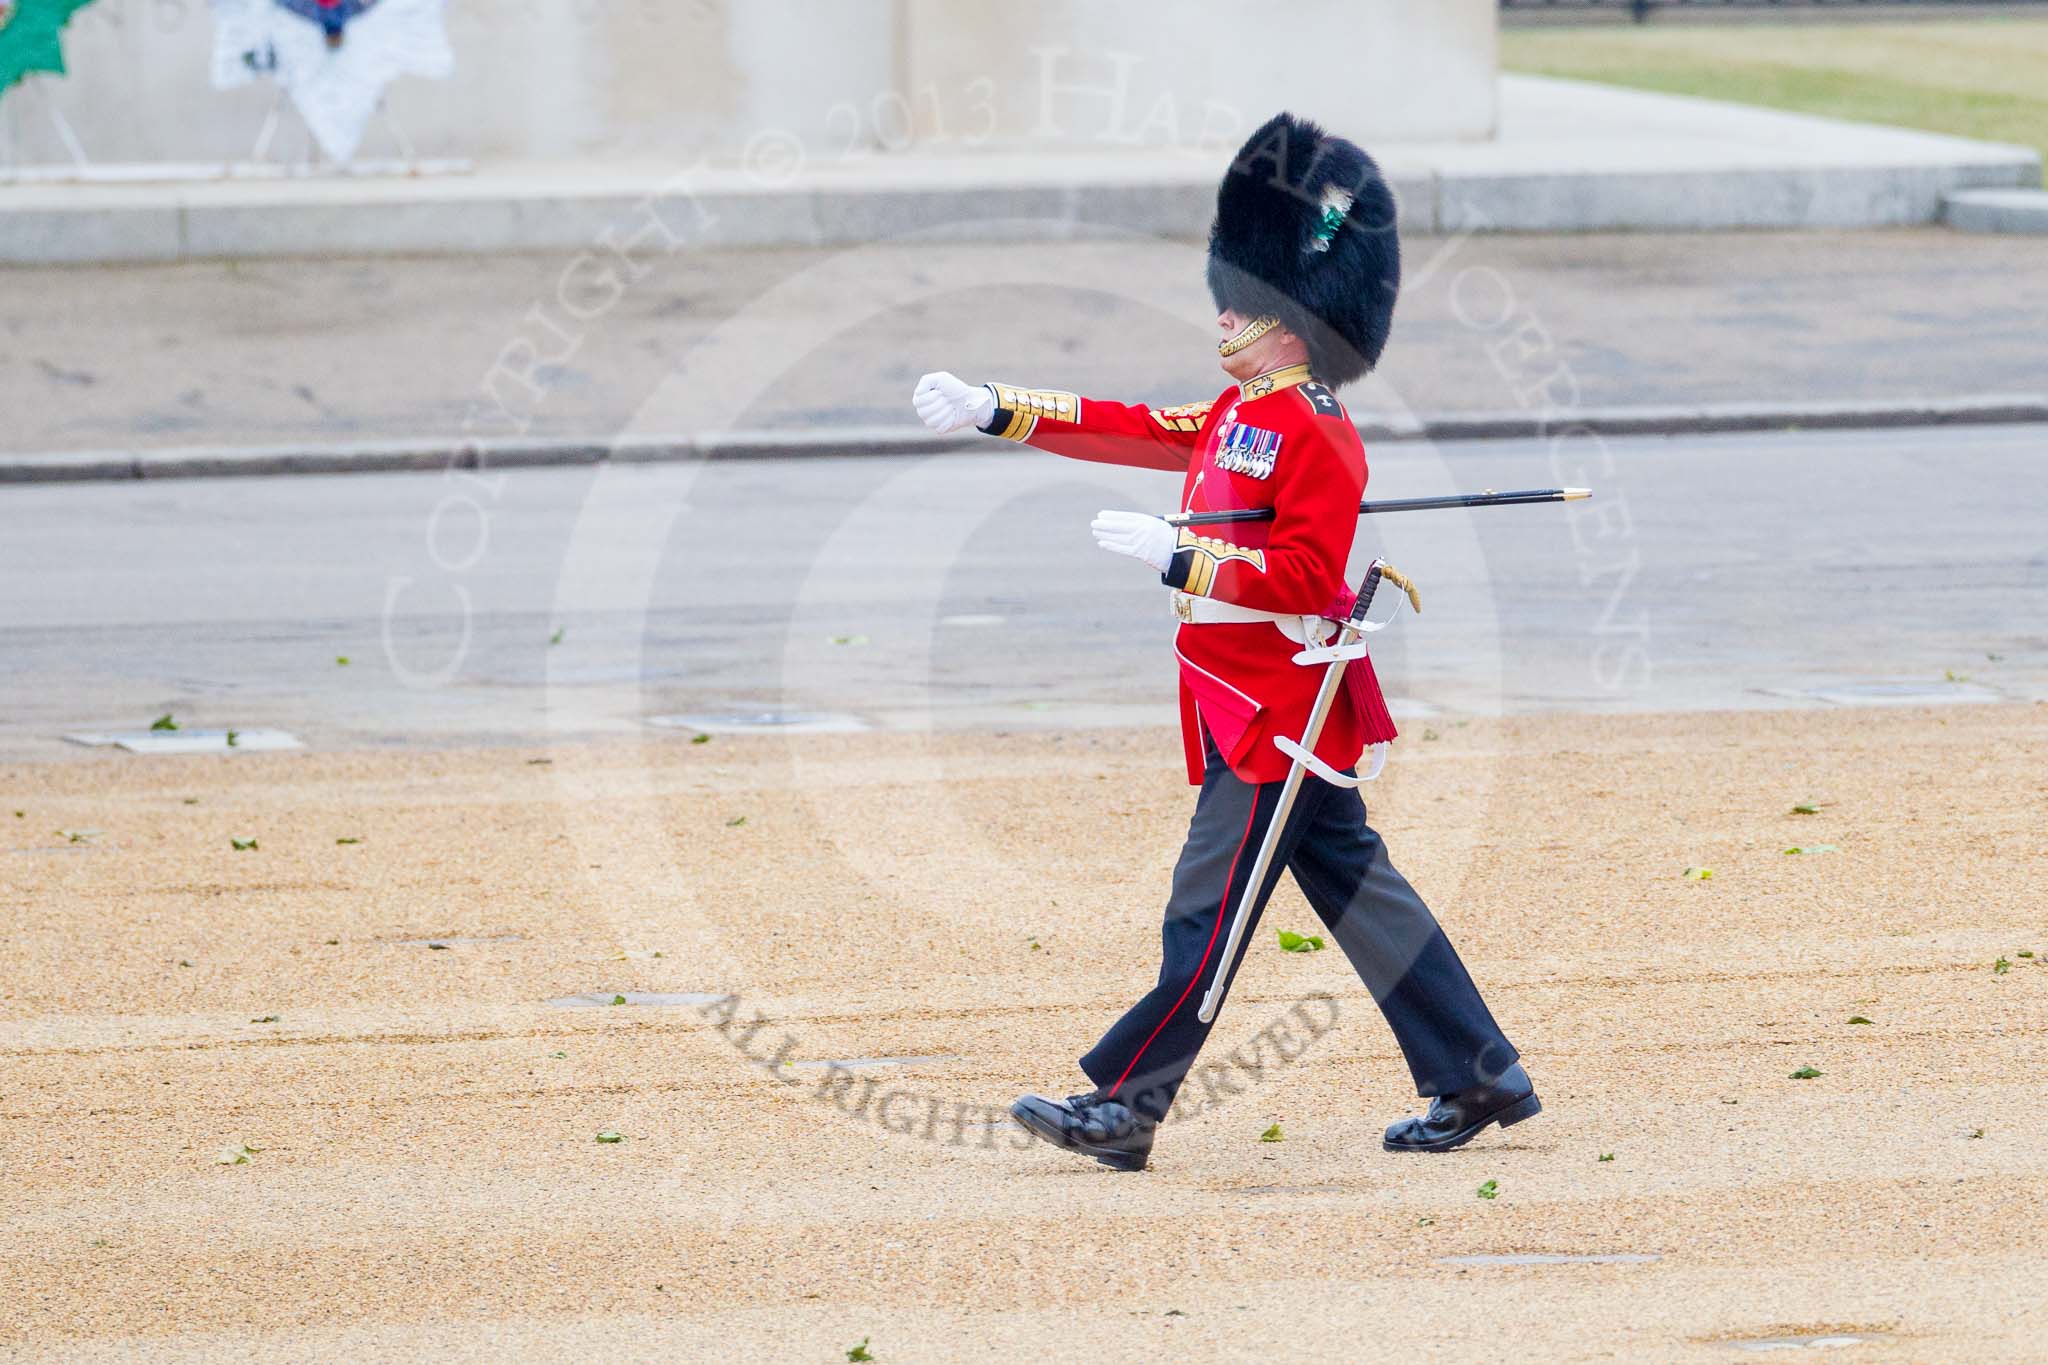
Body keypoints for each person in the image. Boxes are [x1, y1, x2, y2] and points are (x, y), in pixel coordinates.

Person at [912, 113, 1536, 1172]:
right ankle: (1475, 1071)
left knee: (1206, 914)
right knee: (1355, 891)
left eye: (1243, 301)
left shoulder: (1318, 430)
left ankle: (1125, 1105)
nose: (1223, 317)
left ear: (1293, 318)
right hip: (1235, 702)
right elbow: (1136, 427)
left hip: (1276, 720)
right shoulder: (1244, 409)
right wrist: (996, 409)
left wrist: (1178, 558)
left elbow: (1304, 580)